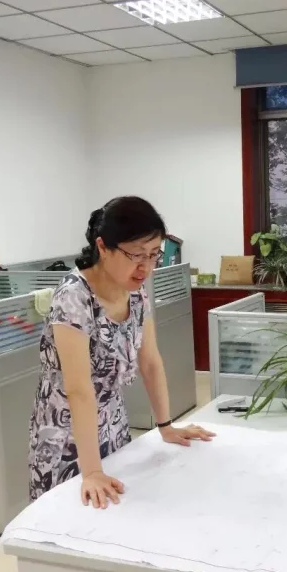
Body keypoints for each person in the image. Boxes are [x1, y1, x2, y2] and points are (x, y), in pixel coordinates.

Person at [28, 197, 215, 508]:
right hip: (66, 439)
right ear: (103, 247)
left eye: (154, 255)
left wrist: (166, 427)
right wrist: (91, 472)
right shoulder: (74, 297)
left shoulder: (136, 293)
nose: (146, 267)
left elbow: (150, 362)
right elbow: (78, 389)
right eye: (136, 255)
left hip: (113, 427)